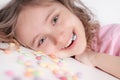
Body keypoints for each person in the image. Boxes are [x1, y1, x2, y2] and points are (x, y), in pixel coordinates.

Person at [0, 0, 120, 79]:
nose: (59, 38)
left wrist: (94, 58)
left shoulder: (113, 36)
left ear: (68, 7)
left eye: (55, 19)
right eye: (42, 40)